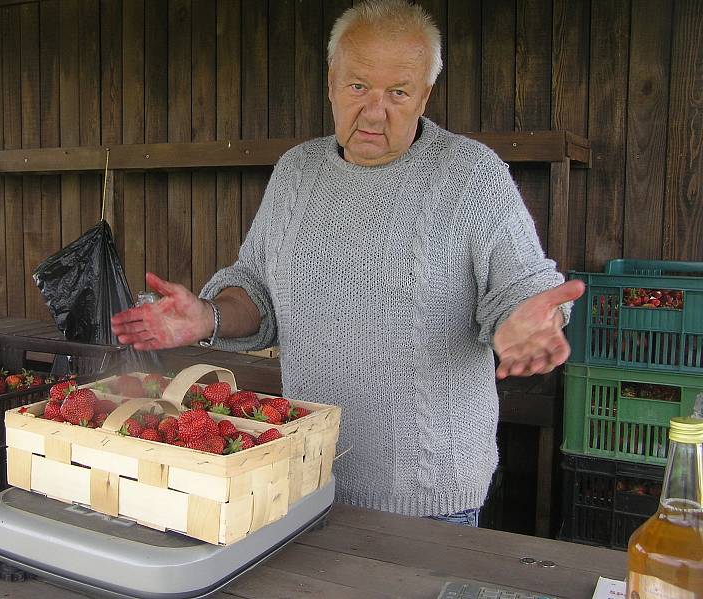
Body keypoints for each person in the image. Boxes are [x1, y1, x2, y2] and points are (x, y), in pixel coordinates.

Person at [111, 0, 585, 526]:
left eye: (399, 92)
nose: (375, 111)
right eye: (358, 87)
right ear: (332, 82)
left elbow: (522, 289)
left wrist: (524, 319)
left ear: (425, 96)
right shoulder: (297, 172)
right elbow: (258, 293)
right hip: (303, 478)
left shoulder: (472, 175)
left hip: (428, 500)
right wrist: (209, 315)